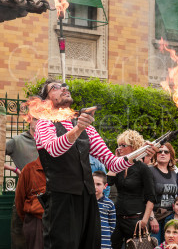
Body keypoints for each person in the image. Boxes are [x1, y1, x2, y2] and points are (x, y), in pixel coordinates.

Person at [34, 79, 157, 249]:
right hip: (61, 198)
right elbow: (54, 150)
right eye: (55, 88)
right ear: (46, 101)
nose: (63, 89)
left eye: (65, 86)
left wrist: (139, 153)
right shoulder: (45, 122)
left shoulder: (85, 126)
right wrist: (77, 130)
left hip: (88, 197)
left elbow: (112, 163)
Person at [107, 129, 157, 249]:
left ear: (134, 147)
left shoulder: (143, 168)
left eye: (123, 145)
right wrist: (116, 159)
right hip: (118, 218)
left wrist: (145, 221)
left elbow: (151, 197)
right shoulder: (119, 166)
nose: (119, 148)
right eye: (118, 145)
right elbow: (108, 182)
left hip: (136, 219)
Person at [6, 116, 39, 249]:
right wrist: (14, 169)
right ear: (29, 120)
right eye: (36, 118)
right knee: (20, 239)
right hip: (23, 197)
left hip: (47, 199)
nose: (39, 122)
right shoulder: (17, 141)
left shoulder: (51, 142)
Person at [14, 156, 46, 249]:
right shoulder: (29, 169)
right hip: (36, 220)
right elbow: (19, 200)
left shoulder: (63, 169)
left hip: (59, 221)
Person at [150, 142, 178, 243]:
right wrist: (151, 218)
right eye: (159, 151)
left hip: (170, 218)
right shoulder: (150, 171)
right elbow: (145, 197)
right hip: (155, 217)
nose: (162, 153)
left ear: (171, 155)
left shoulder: (174, 174)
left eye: (166, 152)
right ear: (155, 154)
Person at [93, 171, 116, 249]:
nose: (95, 187)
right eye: (92, 184)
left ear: (105, 186)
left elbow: (112, 224)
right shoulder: (86, 202)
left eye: (98, 184)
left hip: (104, 241)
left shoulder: (109, 204)